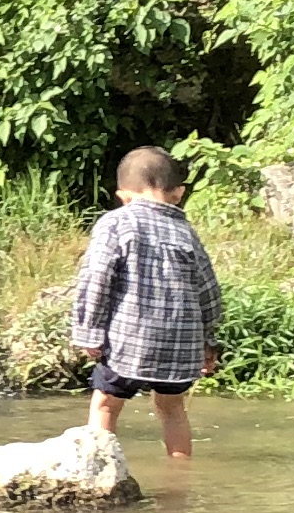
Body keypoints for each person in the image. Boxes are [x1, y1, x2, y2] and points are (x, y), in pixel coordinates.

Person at [70, 145, 222, 461]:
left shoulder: (115, 223)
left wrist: (89, 333)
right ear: (177, 194)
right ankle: (179, 481)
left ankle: (100, 469)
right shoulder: (186, 232)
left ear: (124, 195)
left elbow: (96, 279)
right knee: (172, 409)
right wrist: (208, 342)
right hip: (180, 344)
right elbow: (209, 291)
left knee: (106, 403)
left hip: (130, 341)